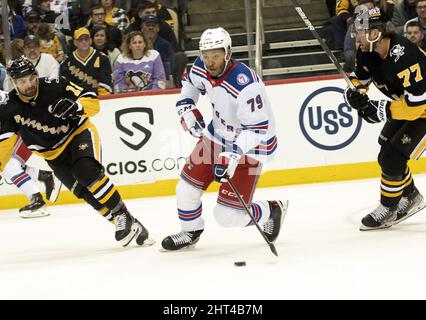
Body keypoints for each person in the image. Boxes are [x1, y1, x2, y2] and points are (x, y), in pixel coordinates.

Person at [0, 57, 152, 247]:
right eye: (21, 82)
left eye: (31, 78)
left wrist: (77, 107)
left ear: (36, 75)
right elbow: (5, 144)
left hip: (78, 135)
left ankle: (121, 213)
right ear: (13, 83)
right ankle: (130, 224)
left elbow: (92, 101)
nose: (28, 85)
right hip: (52, 155)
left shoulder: (55, 86)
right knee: (84, 193)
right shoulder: (9, 108)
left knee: (85, 172)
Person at [161, 27, 288, 251]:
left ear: (228, 53)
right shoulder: (201, 66)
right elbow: (190, 84)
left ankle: (271, 209)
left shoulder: (245, 84)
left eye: (215, 55)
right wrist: (186, 106)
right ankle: (190, 231)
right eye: (206, 55)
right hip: (217, 134)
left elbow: (257, 129)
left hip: (251, 147)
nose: (210, 61)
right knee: (186, 188)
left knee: (228, 217)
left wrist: (231, 155)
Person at [344, 7, 426, 231]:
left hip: (423, 110)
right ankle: (410, 196)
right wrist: (355, 93)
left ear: (376, 32)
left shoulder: (404, 55)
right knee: (385, 149)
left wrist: (382, 110)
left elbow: (417, 104)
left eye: (361, 31)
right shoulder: (367, 52)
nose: (356, 36)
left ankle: (388, 208)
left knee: (392, 158)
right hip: (408, 106)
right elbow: (360, 78)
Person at [60, 28, 113, 96]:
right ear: (75, 42)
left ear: (90, 41)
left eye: (86, 39)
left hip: (98, 98)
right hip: (77, 100)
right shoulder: (67, 62)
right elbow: (66, 87)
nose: (84, 42)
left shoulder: (102, 58)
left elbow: (106, 84)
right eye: (80, 40)